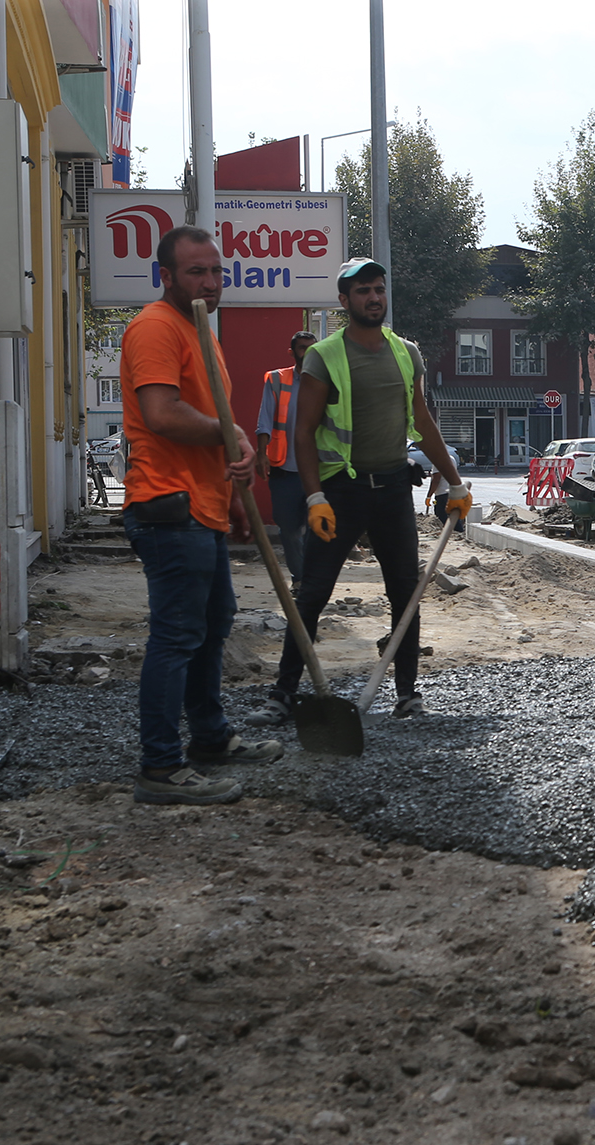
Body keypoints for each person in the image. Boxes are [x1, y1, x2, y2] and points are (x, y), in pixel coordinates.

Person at [252, 258, 469, 723]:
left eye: (378, 289)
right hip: (341, 494)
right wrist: (314, 497)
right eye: (363, 291)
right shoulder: (323, 356)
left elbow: (423, 421)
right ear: (344, 301)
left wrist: (453, 480)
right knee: (311, 593)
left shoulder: (406, 353)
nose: (374, 298)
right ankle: (282, 694)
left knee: (404, 592)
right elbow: (304, 432)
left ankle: (408, 694)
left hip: (392, 490)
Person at [118, 226, 284, 804]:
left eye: (216, 271)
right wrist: (232, 432)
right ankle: (159, 769)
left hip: (203, 507)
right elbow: (162, 415)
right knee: (178, 637)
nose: (212, 283)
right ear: (166, 276)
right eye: (197, 272)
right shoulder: (156, 328)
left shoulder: (199, 328)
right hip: (168, 508)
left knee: (212, 628)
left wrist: (234, 496)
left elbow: (205, 417)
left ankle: (210, 739)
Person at [256, 330, 317, 594]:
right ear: (292, 352)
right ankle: (300, 577)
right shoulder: (277, 380)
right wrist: (261, 454)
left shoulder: (326, 381)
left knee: (317, 529)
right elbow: (265, 419)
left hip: (318, 470)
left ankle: (310, 580)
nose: (308, 353)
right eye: (302, 348)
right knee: (289, 530)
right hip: (285, 469)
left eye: (312, 348)